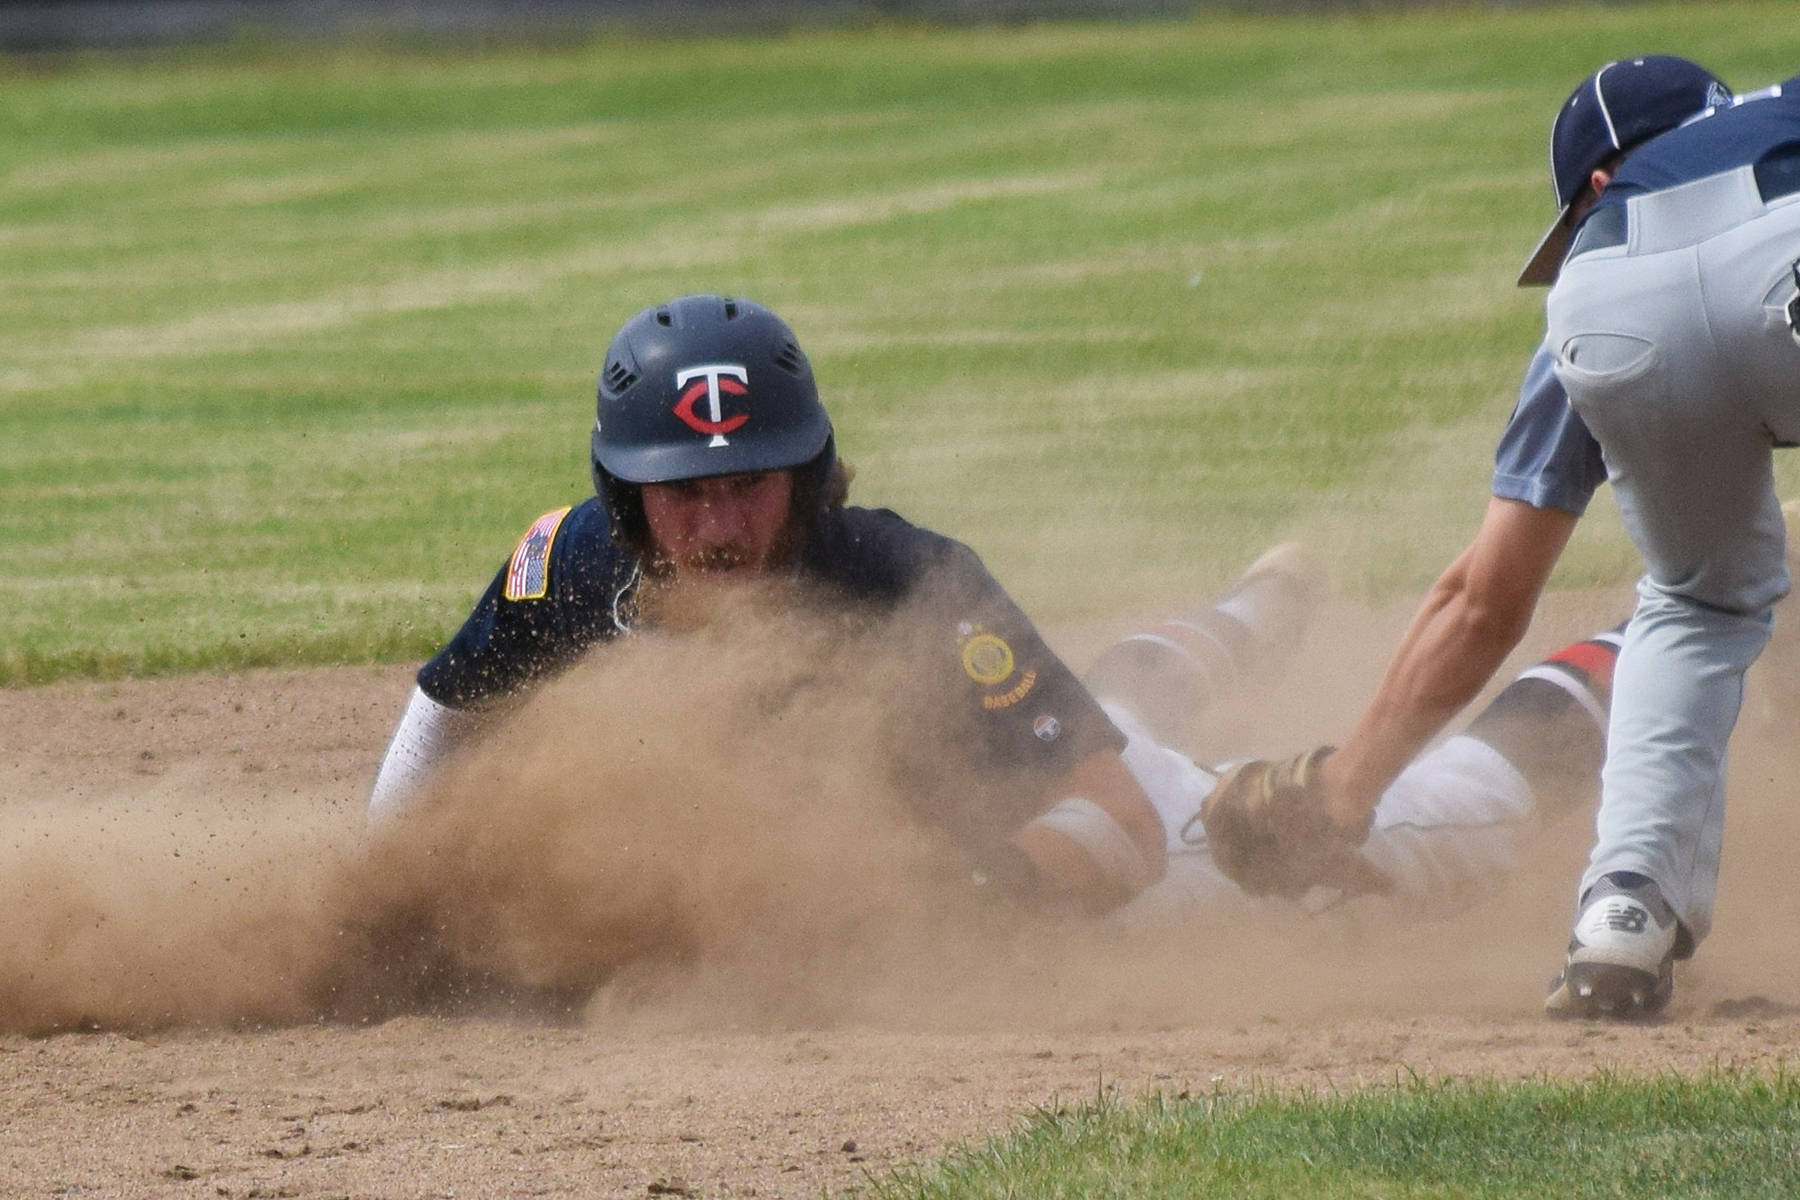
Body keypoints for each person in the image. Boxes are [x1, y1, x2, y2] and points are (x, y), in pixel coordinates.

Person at [369, 293, 1640, 990]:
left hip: (1159, 845)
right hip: (1049, 745)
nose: (719, 519)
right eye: (683, 487)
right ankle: (1264, 602)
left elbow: (1127, 835)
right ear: (623, 493)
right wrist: (381, 888)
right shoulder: (566, 570)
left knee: (1436, 816)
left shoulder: (908, 583)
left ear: (806, 478)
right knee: (1098, 698)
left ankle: (1656, 626)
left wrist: (952, 907)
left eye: (752, 480)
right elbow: (446, 716)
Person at [1198, 57, 1800, 1022]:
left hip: (1624, 314)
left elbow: (1485, 601)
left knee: (1697, 603)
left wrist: (1340, 795)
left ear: (1597, 188)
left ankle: (1623, 917)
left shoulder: (1597, 259)